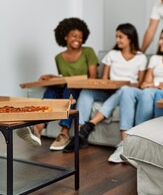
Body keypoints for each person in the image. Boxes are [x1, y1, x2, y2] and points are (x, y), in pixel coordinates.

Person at [109, 27, 163, 163]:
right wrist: (153, 85)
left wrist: (157, 84)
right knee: (127, 90)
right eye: (160, 39)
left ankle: (139, 140)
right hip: (152, 90)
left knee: (151, 91)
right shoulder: (155, 58)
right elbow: (145, 82)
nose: (159, 42)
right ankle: (125, 142)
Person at [62, 23, 147, 153]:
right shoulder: (112, 54)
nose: (117, 40)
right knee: (86, 92)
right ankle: (79, 134)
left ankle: (89, 125)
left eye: (120, 37)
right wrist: (108, 85)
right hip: (109, 91)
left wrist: (123, 85)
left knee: (124, 90)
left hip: (127, 93)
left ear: (130, 38)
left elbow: (140, 84)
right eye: (116, 37)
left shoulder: (141, 58)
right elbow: (104, 78)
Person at [16, 17, 99, 150]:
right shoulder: (59, 58)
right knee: (50, 92)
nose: (77, 39)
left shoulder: (88, 52)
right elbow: (65, 78)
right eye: (74, 36)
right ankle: (38, 130)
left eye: (80, 36)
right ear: (65, 36)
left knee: (68, 91)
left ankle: (64, 133)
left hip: (82, 88)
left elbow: (93, 77)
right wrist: (52, 77)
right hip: (68, 86)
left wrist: (70, 82)